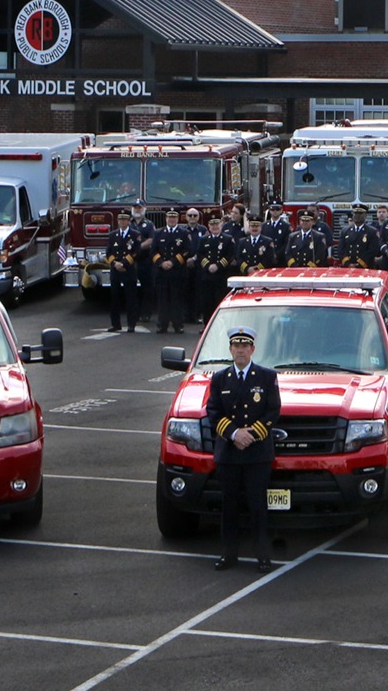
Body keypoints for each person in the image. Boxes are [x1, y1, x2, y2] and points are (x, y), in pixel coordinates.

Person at [207, 326, 281, 571]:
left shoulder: (267, 377)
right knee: (229, 506)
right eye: (236, 346)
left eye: (245, 346)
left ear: (252, 349)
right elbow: (213, 412)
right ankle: (229, 554)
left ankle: (262, 555)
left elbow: (273, 411)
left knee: (258, 506)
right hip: (229, 452)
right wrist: (233, 433)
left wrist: (252, 434)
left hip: (257, 453)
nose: (240, 350)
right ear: (230, 349)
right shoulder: (219, 379)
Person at [150, 212, 191, 334]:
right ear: (166, 219)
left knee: (176, 299)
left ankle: (178, 325)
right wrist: (161, 263)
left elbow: (187, 251)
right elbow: (153, 251)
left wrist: (173, 262)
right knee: (162, 300)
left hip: (177, 272)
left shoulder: (183, 233)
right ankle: (162, 325)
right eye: (169, 217)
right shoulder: (158, 233)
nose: (172, 220)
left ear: (177, 219)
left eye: (174, 217)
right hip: (161, 272)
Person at [106, 209, 144, 333]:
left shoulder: (135, 234)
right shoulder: (113, 235)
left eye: (124, 220)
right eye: (120, 220)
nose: (122, 222)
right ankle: (115, 324)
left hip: (129, 270)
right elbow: (109, 252)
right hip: (115, 271)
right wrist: (115, 264)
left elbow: (137, 252)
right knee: (114, 298)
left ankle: (131, 324)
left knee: (131, 298)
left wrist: (124, 263)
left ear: (128, 221)